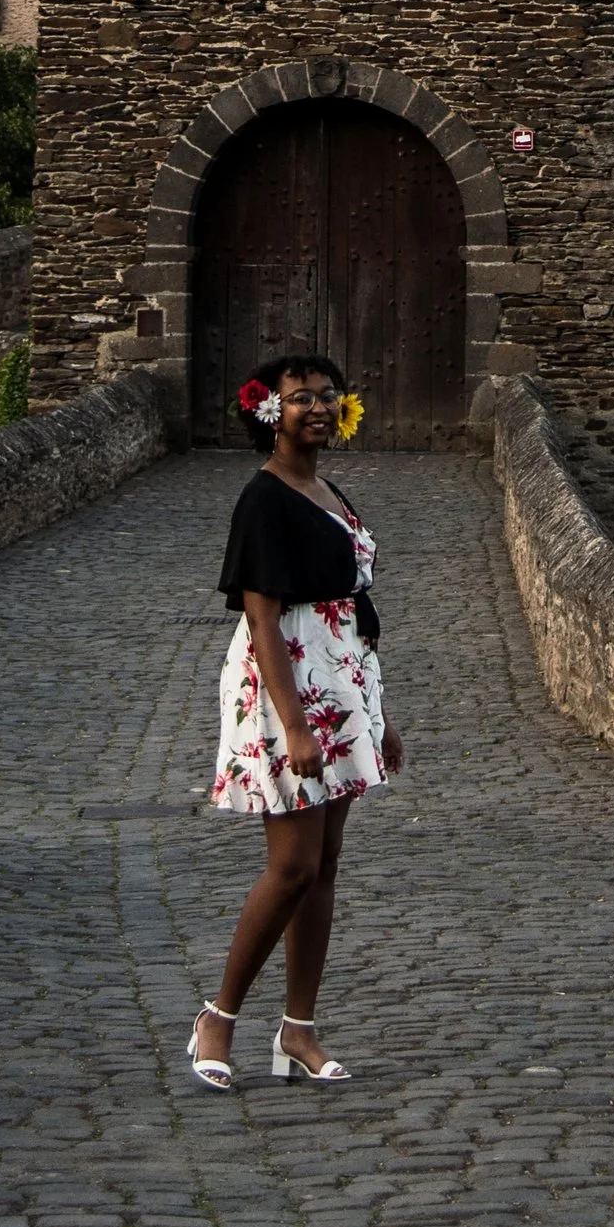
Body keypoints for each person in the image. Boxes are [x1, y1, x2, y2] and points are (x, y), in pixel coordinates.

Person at [188, 349, 403, 1090]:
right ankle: (217, 1016)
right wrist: (296, 724)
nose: (317, 405)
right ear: (268, 412)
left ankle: (299, 1031)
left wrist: (378, 715)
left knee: (326, 867)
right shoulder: (265, 497)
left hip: (341, 681)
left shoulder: (326, 489)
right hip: (287, 683)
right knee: (291, 867)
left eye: (327, 395)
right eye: (299, 397)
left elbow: (355, 603)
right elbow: (262, 614)